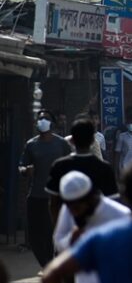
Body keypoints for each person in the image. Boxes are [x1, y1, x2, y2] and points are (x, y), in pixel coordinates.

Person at [21, 110, 72, 266]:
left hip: (56, 196)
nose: (42, 121)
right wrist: (25, 170)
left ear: (52, 123)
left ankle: (52, 264)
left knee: (52, 232)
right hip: (36, 195)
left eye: (46, 119)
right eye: (40, 119)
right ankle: (45, 263)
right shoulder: (31, 144)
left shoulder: (61, 144)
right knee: (35, 235)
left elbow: (70, 164)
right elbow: (21, 166)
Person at [47, 119, 118, 203]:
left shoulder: (59, 166)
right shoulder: (105, 168)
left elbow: (54, 201)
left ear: (71, 140)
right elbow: (112, 200)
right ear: (93, 140)